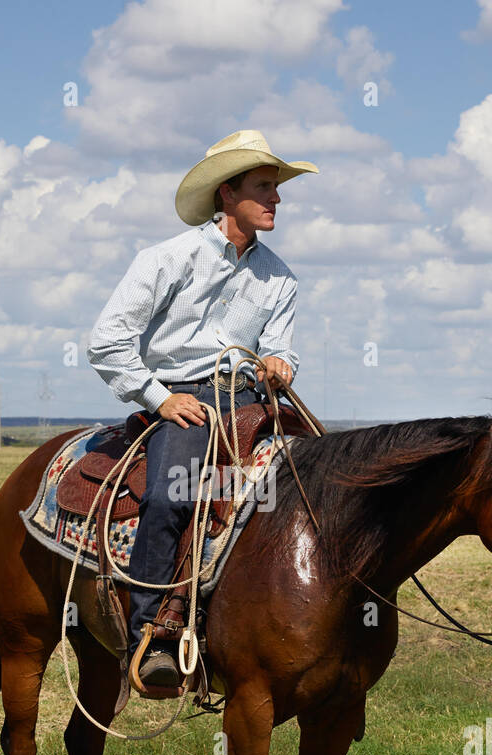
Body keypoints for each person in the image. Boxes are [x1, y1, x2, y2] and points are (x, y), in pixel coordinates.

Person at [87, 130, 318, 688]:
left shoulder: (281, 277)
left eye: (277, 189)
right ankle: (151, 636)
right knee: (173, 493)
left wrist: (280, 364)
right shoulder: (167, 259)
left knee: (309, 490)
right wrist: (162, 400)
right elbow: (107, 341)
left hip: (249, 400)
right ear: (226, 193)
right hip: (182, 398)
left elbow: (279, 346)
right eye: (264, 188)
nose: (276, 200)